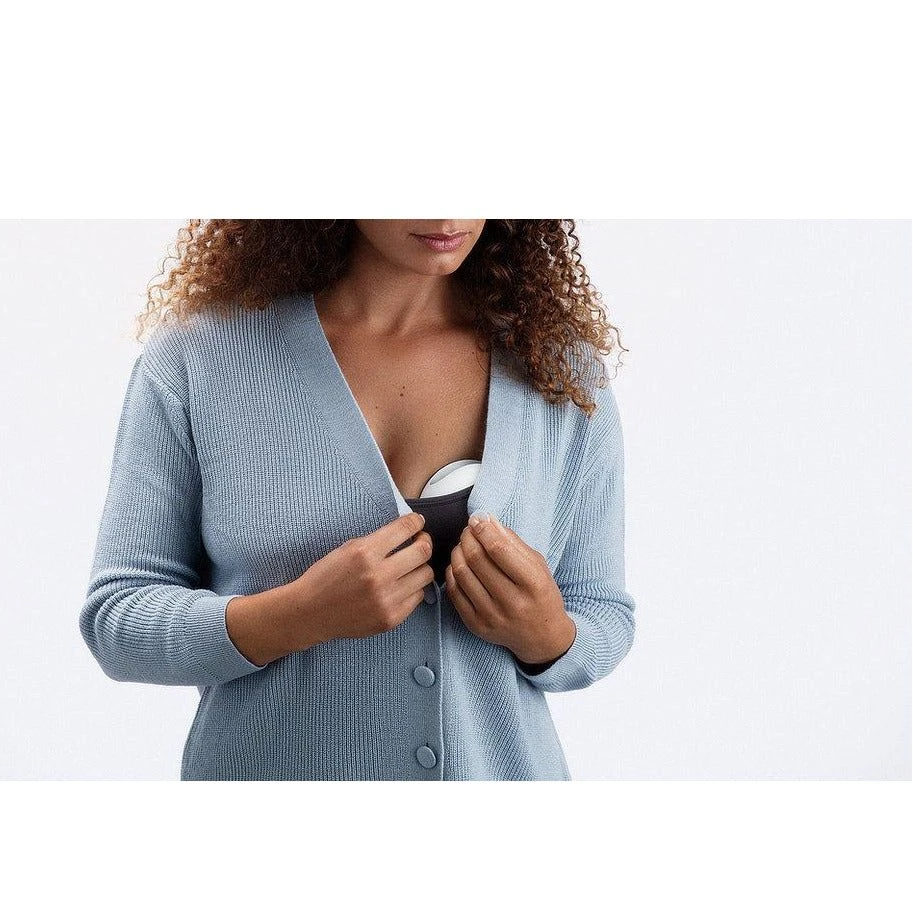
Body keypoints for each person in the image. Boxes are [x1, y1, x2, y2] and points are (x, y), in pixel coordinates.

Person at [78, 219, 636, 780]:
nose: (448, 216)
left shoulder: (559, 372)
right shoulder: (198, 358)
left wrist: (549, 636)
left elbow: (604, 613)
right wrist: (297, 615)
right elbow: (118, 617)